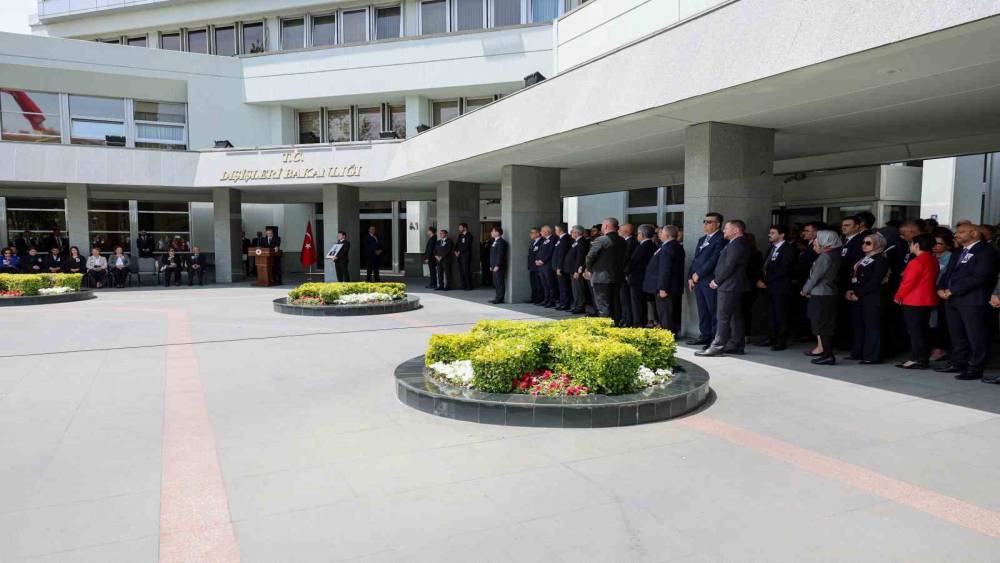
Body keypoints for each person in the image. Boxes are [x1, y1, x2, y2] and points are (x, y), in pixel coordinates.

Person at [936, 223, 999, 381]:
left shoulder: (986, 251)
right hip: (952, 299)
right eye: (956, 232)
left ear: (974, 233)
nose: (956, 235)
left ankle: (975, 368)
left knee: (975, 335)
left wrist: (953, 290)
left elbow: (980, 276)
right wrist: (941, 288)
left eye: (961, 232)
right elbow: (948, 272)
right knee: (957, 334)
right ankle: (959, 363)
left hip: (972, 299)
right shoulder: (958, 251)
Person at [696, 220, 750, 357]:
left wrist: (717, 280)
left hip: (729, 285)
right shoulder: (735, 243)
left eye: (726, 228)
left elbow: (729, 265)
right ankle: (736, 344)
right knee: (735, 316)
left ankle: (717, 346)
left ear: (736, 230)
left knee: (723, 316)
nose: (724, 231)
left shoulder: (737, 243)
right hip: (732, 285)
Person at [894, 234, 940, 369]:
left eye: (911, 243)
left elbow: (908, 282)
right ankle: (922, 358)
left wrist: (898, 296)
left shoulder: (916, 261)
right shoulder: (933, 259)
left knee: (915, 331)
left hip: (914, 300)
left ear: (917, 245)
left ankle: (916, 359)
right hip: (928, 299)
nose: (910, 246)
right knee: (923, 330)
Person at [846, 232, 889, 364]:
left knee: (872, 326)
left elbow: (875, 280)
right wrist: (851, 290)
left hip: (872, 297)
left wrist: (858, 293)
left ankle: (871, 356)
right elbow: (855, 276)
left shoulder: (881, 259)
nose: (864, 245)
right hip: (858, 295)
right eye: (863, 242)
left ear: (877, 244)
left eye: (868, 243)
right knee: (859, 325)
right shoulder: (863, 258)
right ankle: (858, 352)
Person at [801, 231, 842, 365]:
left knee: (822, 325)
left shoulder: (825, 256)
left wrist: (805, 290)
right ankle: (826, 353)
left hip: (821, 293)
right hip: (828, 293)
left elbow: (815, 277)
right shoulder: (835, 254)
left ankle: (827, 354)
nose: (816, 241)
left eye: (818, 239)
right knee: (825, 324)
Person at [687, 213, 727, 346]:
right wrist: (690, 276)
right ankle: (704, 335)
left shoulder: (721, 238)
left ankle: (715, 339)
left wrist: (699, 273)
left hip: (709, 280)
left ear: (718, 224)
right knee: (702, 310)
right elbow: (696, 259)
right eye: (704, 221)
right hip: (698, 280)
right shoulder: (702, 239)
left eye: (709, 222)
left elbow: (714, 259)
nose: (705, 224)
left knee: (713, 310)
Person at [757, 224, 798, 351]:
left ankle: (781, 340)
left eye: (773, 233)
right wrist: (761, 279)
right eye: (770, 233)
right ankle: (771, 337)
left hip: (780, 288)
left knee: (780, 314)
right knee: (769, 314)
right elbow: (766, 266)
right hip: (768, 288)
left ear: (782, 235)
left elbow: (784, 269)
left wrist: (766, 281)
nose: (769, 235)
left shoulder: (788, 249)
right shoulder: (771, 248)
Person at [643, 224, 685, 333]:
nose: (659, 235)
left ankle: (667, 334)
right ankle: (670, 332)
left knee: (665, 312)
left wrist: (662, 288)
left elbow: (665, 269)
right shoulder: (674, 246)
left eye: (661, 233)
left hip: (666, 287)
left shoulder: (668, 247)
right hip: (671, 285)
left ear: (666, 235)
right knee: (669, 312)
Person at [584, 217, 627, 322]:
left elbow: (589, 257)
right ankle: (616, 325)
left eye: (603, 225)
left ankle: (606, 327)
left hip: (601, 277)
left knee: (603, 305)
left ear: (606, 226)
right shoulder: (622, 240)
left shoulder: (601, 240)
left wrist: (589, 270)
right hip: (617, 276)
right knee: (615, 304)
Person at [836, 215, 866, 349]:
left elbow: (854, 263)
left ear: (857, 226)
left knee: (849, 315)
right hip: (840, 282)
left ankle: (849, 343)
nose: (844, 227)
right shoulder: (844, 241)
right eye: (843, 225)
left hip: (850, 283)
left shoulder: (860, 242)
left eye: (847, 225)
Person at [929, 229, 955, 361]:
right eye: (933, 243)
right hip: (929, 293)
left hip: (943, 294)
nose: (935, 246)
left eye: (939, 243)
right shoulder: (930, 256)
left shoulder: (951, 257)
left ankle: (940, 349)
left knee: (940, 323)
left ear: (948, 245)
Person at [626, 224, 656, 327]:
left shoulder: (643, 246)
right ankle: (641, 322)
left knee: (637, 303)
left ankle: (638, 323)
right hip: (645, 279)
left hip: (637, 278)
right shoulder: (653, 245)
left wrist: (625, 272)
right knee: (642, 302)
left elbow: (633, 262)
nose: (637, 236)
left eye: (638, 233)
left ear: (642, 234)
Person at [742, 232, 764, 341]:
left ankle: (745, 334)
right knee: (746, 311)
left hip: (749, 286)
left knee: (745, 310)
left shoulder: (753, 254)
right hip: (750, 285)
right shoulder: (757, 253)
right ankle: (745, 334)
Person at [564, 225, 590, 314]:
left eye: (572, 231)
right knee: (575, 289)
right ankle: (576, 305)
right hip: (573, 269)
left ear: (577, 233)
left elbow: (580, 258)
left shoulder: (581, 242)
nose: (571, 233)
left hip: (577, 270)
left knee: (578, 289)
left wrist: (576, 271)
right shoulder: (576, 241)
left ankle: (580, 306)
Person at [619, 224, 638, 327]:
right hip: (624, 274)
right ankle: (625, 318)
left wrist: (623, 272)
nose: (618, 232)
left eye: (620, 230)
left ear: (626, 231)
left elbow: (626, 259)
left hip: (626, 275)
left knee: (626, 299)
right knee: (623, 299)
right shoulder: (626, 242)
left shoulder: (631, 242)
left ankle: (628, 320)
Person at [535, 225, 557, 307]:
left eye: (541, 231)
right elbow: (540, 251)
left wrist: (543, 260)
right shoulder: (544, 240)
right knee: (544, 284)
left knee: (550, 283)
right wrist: (537, 260)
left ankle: (552, 301)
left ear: (547, 231)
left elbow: (551, 252)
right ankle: (546, 299)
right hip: (541, 266)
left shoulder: (553, 239)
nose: (540, 232)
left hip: (547, 265)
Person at [552, 224, 573, 310]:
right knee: (561, 286)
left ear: (560, 230)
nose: (555, 231)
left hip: (562, 267)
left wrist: (559, 267)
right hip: (558, 266)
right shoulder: (560, 239)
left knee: (564, 287)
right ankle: (562, 302)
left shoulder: (565, 239)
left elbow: (562, 255)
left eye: (556, 229)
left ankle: (565, 304)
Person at [488, 226, 508, 304]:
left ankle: (500, 298)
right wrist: (491, 265)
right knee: (496, 282)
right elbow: (492, 255)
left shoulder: (501, 242)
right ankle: (497, 297)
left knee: (500, 282)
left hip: (498, 266)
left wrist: (497, 265)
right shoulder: (494, 241)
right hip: (493, 265)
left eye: (493, 231)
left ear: (497, 232)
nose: (491, 232)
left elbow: (500, 255)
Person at [455, 223, 474, 290]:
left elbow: (467, 246)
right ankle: (463, 285)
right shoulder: (460, 235)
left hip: (466, 255)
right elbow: (457, 244)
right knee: (461, 271)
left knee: (466, 270)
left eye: (460, 227)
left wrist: (459, 251)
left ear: (465, 228)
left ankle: (469, 286)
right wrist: (455, 251)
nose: (459, 229)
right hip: (459, 256)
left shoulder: (469, 236)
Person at [527, 228, 543, 304]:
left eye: (532, 232)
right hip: (532, 266)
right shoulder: (533, 242)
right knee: (533, 283)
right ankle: (534, 298)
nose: (530, 234)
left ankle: (540, 298)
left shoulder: (542, 241)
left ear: (538, 233)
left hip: (538, 267)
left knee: (538, 284)